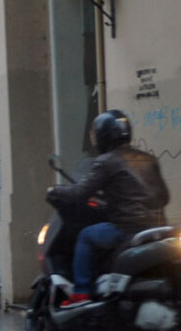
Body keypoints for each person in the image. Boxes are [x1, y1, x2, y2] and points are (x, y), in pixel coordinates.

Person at [47, 110, 170, 307]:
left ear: (103, 135)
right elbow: (164, 197)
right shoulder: (148, 159)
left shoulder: (107, 161)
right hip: (156, 227)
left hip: (127, 228)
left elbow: (81, 192)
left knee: (86, 236)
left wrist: (56, 191)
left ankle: (81, 292)